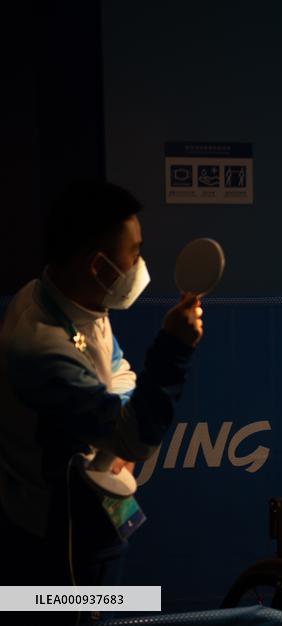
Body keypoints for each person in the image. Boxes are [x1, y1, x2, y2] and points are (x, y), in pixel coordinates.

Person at [0, 181, 203, 619]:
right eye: (134, 252)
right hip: (60, 543)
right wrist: (174, 348)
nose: (140, 264)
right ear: (98, 265)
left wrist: (119, 426)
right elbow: (135, 440)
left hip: (96, 518)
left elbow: (119, 372)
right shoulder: (39, 347)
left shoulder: (73, 300)